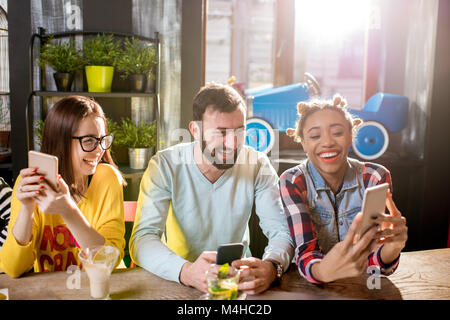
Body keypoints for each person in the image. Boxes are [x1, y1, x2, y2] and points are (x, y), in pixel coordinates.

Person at [130, 83, 294, 295]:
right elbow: (142, 239)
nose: (233, 143)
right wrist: (186, 272)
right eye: (222, 132)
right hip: (176, 280)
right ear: (195, 130)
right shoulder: (165, 165)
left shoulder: (257, 164)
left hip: (238, 281)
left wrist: (273, 266)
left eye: (239, 131)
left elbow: (281, 230)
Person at [279, 94, 408, 284]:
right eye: (315, 136)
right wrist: (322, 272)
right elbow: (305, 255)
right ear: (303, 143)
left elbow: (373, 264)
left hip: (361, 285)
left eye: (337, 133)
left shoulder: (375, 177)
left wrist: (391, 250)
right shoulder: (292, 181)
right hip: (308, 287)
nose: (328, 142)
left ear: (351, 136)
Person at [0, 96, 125, 278]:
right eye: (89, 140)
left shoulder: (107, 178)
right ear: (62, 141)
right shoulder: (29, 183)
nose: (100, 150)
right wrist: (27, 210)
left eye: (102, 139)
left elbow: (109, 263)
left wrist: (68, 211)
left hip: (104, 289)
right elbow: (13, 268)